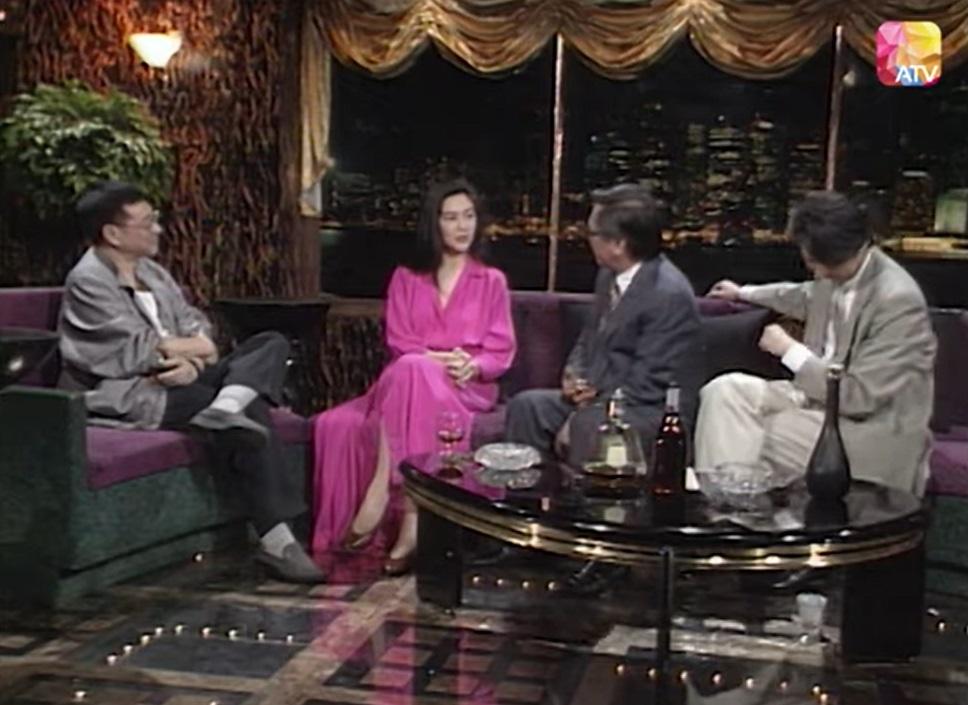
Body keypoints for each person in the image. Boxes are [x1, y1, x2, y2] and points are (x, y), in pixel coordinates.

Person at [59, 181, 325, 584]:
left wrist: (194, 356)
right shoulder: (88, 280)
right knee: (251, 406)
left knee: (271, 343)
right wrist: (190, 354)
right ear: (112, 233)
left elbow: (195, 323)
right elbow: (133, 349)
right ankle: (277, 538)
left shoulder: (152, 272)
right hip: (135, 391)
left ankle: (225, 406)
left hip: (184, 378)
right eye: (147, 223)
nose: (157, 229)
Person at [311, 178, 516, 576]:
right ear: (433, 224)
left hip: (465, 387)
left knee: (413, 369)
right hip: (407, 377)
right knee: (402, 375)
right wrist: (435, 360)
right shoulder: (406, 278)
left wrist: (473, 366)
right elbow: (399, 341)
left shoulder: (491, 281)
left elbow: (501, 351)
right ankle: (411, 513)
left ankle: (385, 497)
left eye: (469, 217)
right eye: (451, 218)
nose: (462, 226)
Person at [695, 190, 936, 494]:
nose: (813, 269)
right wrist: (743, 293)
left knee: (751, 434)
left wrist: (790, 351)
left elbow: (858, 397)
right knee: (724, 391)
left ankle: (735, 510)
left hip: (868, 430)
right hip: (815, 402)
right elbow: (802, 296)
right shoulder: (834, 274)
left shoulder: (898, 302)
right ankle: (728, 507)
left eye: (816, 262)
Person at [506, 183, 704, 468]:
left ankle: (581, 497)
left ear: (618, 244)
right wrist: (575, 375)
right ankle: (530, 492)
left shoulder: (667, 294)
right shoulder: (608, 276)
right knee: (528, 407)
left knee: (587, 427)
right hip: (601, 399)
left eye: (592, 233)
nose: (588, 240)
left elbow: (646, 385)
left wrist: (587, 411)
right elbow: (588, 338)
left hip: (648, 412)